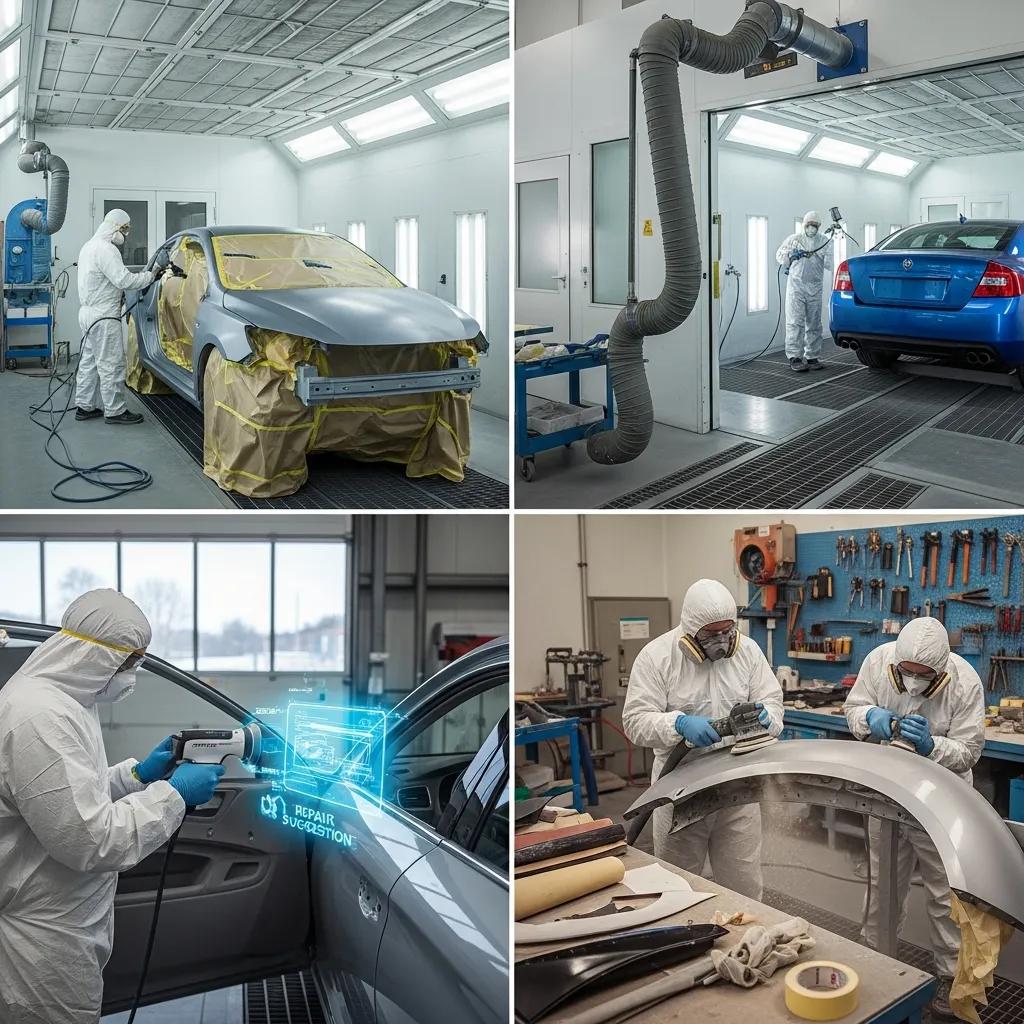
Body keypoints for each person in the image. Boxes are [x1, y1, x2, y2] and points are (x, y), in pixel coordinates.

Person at [0, 588, 225, 1024]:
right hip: (41, 943)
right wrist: (175, 795)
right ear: (94, 655)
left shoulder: (67, 701)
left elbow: (61, 797)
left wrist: (136, 776)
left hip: (60, 918)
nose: (131, 674)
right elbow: (90, 840)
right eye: (129, 662)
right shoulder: (40, 715)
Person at [844, 616, 985, 1021]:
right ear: (897, 662)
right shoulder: (878, 661)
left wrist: (931, 746)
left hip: (942, 801)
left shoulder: (965, 682)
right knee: (882, 886)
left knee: (946, 895)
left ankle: (951, 979)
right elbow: (853, 710)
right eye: (907, 673)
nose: (914, 682)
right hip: (887, 792)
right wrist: (871, 717)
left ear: (940, 670)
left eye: (924, 676)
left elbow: (969, 751)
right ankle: (876, 962)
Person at [622, 578, 784, 899]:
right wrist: (678, 724)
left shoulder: (747, 652)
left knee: (744, 885)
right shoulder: (657, 657)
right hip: (679, 793)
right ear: (691, 631)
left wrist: (769, 717)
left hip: (737, 789)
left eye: (728, 631)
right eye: (711, 635)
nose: (722, 642)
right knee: (676, 887)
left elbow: (773, 702)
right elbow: (635, 721)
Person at [75, 209, 170, 425]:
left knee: (89, 362)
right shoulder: (107, 249)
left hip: (87, 313)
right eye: (124, 229)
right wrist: (153, 272)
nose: (125, 234)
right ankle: (115, 411)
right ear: (115, 227)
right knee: (111, 364)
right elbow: (124, 280)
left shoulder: (88, 246)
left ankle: (84, 406)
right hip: (103, 316)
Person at [776, 210, 833, 373]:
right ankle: (795, 357)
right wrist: (790, 256)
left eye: (815, 225)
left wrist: (824, 252)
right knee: (795, 322)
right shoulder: (795, 240)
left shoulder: (824, 241)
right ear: (804, 225)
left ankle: (812, 356)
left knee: (814, 323)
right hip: (796, 287)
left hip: (815, 287)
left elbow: (830, 264)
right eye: (809, 225)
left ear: (819, 226)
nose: (811, 228)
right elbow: (779, 256)